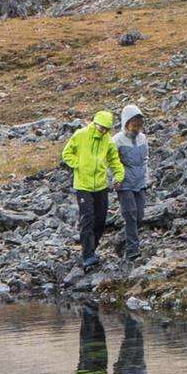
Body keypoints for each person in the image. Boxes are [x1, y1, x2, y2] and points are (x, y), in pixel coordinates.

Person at [63, 110, 121, 270]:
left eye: (105, 129)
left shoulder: (108, 141)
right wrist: (78, 164)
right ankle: (87, 255)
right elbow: (66, 153)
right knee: (87, 218)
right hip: (83, 186)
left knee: (101, 220)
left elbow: (114, 160)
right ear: (94, 123)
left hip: (101, 185)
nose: (102, 131)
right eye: (100, 127)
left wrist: (119, 175)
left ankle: (92, 248)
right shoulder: (80, 135)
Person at [113, 105, 155, 258]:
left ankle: (122, 241)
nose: (137, 128)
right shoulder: (117, 140)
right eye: (134, 125)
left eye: (139, 125)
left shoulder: (143, 138)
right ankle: (132, 250)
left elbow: (145, 159)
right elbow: (111, 161)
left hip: (140, 182)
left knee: (139, 215)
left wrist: (146, 177)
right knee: (130, 214)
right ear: (126, 123)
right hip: (124, 184)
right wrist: (114, 178)